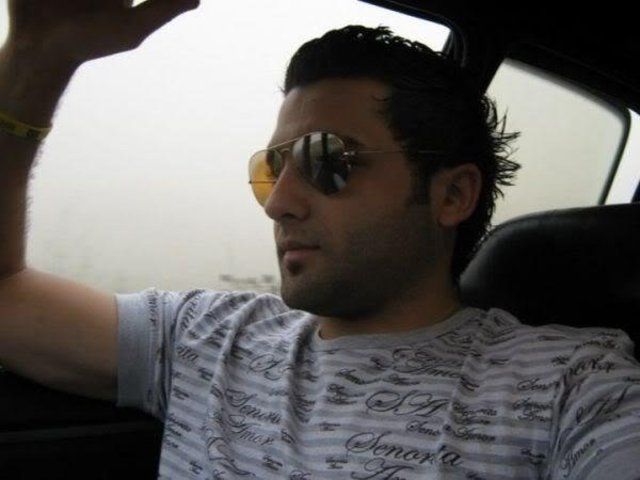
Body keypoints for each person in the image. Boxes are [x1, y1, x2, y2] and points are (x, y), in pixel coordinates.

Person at [1, 1, 639, 479]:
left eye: (327, 160)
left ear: (452, 196)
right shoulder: (207, 338)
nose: (278, 203)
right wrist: (36, 60)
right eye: (272, 168)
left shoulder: (575, 386)